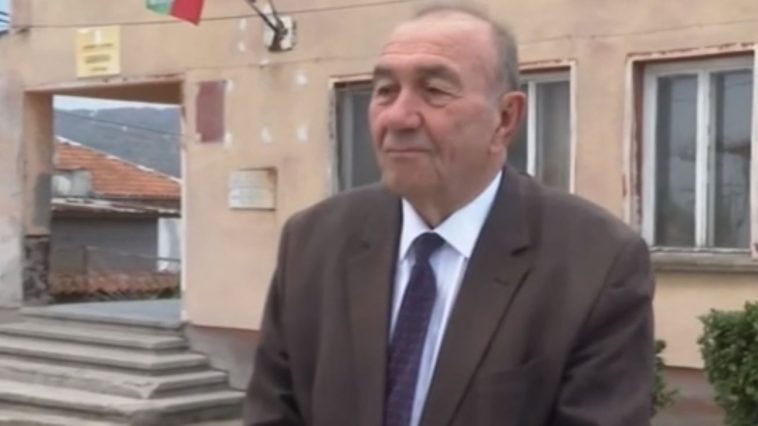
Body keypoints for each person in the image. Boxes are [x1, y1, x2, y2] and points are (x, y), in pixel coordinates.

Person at [244, 3, 655, 426]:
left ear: (505, 119)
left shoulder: (596, 263)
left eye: (435, 91)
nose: (398, 117)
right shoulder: (313, 243)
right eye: (385, 90)